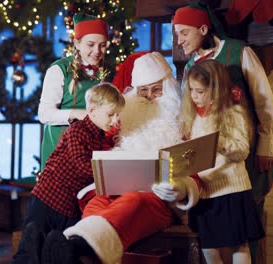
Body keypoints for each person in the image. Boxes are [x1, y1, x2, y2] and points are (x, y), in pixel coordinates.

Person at [39, 52, 202, 264]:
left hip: (158, 199)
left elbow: (196, 166)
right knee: (98, 202)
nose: (150, 97)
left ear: (169, 88)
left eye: (157, 90)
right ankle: (78, 249)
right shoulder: (121, 120)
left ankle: (77, 247)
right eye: (143, 91)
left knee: (134, 201)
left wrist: (180, 187)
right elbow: (97, 150)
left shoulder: (184, 121)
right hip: (117, 189)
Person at [173, 3, 273, 262]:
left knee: (242, 227)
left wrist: (266, 143)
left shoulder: (238, 51)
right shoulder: (191, 66)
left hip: (244, 149)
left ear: (203, 29)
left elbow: (263, 99)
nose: (179, 41)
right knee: (214, 235)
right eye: (177, 34)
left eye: (184, 33)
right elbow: (187, 111)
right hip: (210, 167)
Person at [12, 83, 125, 264]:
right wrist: (112, 174)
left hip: (68, 204)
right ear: (92, 110)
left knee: (61, 250)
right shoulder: (78, 130)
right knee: (28, 252)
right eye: (111, 115)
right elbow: (82, 165)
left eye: (118, 115)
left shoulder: (99, 136)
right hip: (47, 196)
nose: (115, 120)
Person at [183, 59, 264, 263]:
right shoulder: (194, 115)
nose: (194, 96)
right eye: (192, 90)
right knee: (209, 247)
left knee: (239, 244)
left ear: (216, 88)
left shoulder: (232, 112)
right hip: (205, 191)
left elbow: (242, 151)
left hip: (231, 190)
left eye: (200, 91)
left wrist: (218, 141)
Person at [38, 13, 109, 170]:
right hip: (60, 154)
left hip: (91, 152)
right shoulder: (59, 69)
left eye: (102, 45)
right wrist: (77, 113)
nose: (97, 51)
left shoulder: (105, 72)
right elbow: (44, 114)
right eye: (90, 44)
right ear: (77, 43)